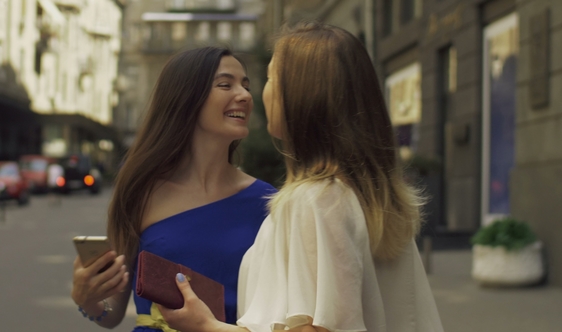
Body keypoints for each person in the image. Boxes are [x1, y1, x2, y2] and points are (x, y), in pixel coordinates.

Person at [159, 22, 444, 332]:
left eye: (269, 78)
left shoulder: (316, 200)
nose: (254, 94)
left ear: (302, 94)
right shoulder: (375, 199)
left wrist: (206, 326)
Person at [71, 46, 276, 331]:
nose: (244, 95)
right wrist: (88, 299)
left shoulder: (270, 203)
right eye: (225, 84)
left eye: (246, 85)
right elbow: (111, 313)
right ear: (186, 98)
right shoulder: (139, 192)